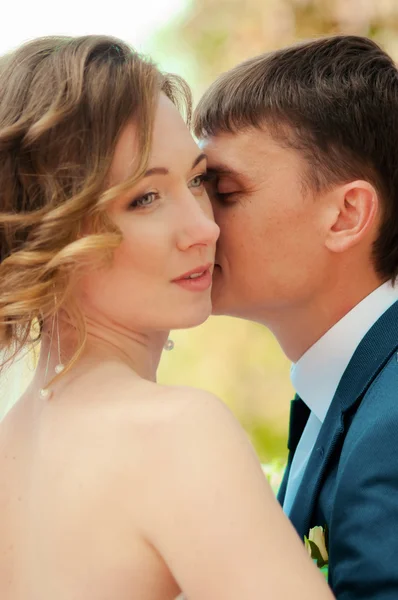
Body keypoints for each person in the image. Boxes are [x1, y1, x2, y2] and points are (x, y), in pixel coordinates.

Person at [0, 35, 333, 600]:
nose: (205, 228)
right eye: (145, 198)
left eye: (200, 180)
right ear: (50, 229)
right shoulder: (175, 431)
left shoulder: (10, 445)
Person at [194, 34, 398, 599]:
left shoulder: (391, 423)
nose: (196, 223)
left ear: (345, 214)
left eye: (224, 191)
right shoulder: (349, 388)